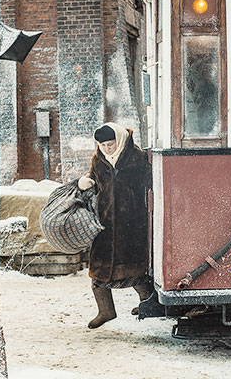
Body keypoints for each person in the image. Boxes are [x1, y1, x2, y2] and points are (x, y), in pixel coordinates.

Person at [78, 122, 153, 329]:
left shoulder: (137, 157)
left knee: (135, 267)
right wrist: (86, 181)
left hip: (132, 221)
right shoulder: (98, 160)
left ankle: (147, 304)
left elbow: (152, 181)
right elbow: (94, 180)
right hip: (105, 222)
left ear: (119, 140)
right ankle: (106, 311)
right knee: (99, 268)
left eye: (110, 144)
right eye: (103, 145)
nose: (107, 149)